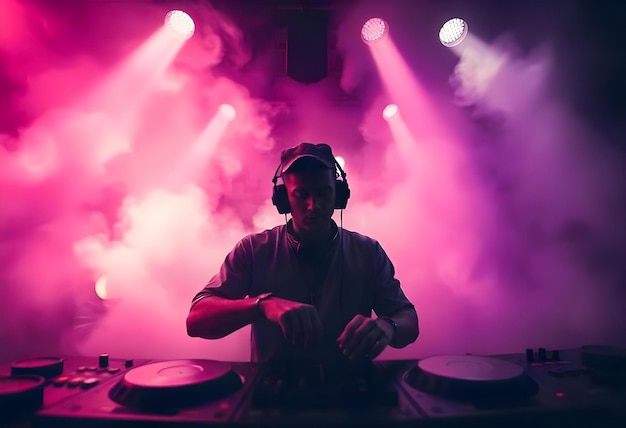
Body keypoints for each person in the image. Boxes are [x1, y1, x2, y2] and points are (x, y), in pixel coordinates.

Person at [186, 142, 418, 363]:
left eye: (323, 193)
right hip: (272, 396)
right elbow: (196, 320)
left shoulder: (368, 252)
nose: (313, 205)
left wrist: (388, 326)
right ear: (283, 198)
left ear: (338, 195)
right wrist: (262, 305)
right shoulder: (253, 250)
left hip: (351, 394)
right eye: (301, 194)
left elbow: (409, 320)